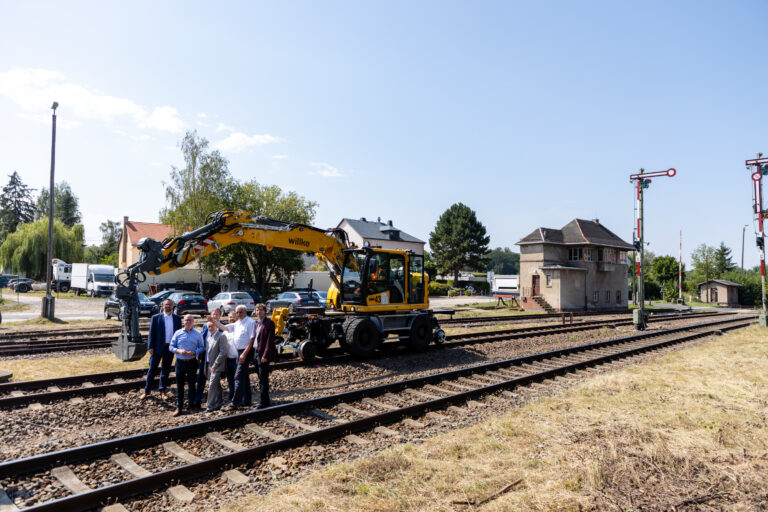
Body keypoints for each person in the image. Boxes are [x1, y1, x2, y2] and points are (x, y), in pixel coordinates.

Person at [209, 305, 255, 408]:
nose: (238, 314)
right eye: (237, 312)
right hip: (239, 352)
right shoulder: (236, 324)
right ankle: (247, 400)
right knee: (244, 377)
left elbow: (252, 339)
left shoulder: (250, 322)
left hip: (245, 352)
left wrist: (244, 353)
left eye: (241, 312)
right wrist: (213, 321)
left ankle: (235, 402)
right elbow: (224, 327)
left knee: (238, 376)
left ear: (245, 312)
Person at [140, 299, 181, 400]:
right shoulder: (156, 317)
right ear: (162, 306)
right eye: (166, 304)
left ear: (173, 306)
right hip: (157, 347)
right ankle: (147, 391)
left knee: (165, 370)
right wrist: (150, 346)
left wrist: (178, 348)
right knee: (152, 369)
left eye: (170, 305)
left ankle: (162, 390)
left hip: (170, 348)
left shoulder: (177, 318)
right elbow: (151, 333)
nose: (168, 306)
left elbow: (179, 334)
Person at [169, 314, 205, 416]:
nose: (188, 321)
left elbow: (202, 347)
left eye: (190, 320)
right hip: (180, 362)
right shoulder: (177, 333)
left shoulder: (198, 334)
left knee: (192, 385)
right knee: (179, 385)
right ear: (183, 321)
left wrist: (194, 352)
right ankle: (179, 407)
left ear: (193, 322)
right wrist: (179, 351)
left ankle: (191, 406)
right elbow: (171, 347)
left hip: (192, 362)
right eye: (186, 320)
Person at [252, 303, 277, 408]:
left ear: (265, 311)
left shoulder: (269, 323)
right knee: (260, 378)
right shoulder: (257, 323)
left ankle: (264, 402)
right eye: (257, 310)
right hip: (256, 353)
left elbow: (269, 341)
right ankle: (264, 400)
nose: (259, 312)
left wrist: (265, 355)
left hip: (263, 355)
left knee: (263, 379)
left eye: (261, 310)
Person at [203, 320, 230, 411]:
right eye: (208, 327)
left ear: (216, 326)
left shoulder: (221, 336)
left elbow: (223, 352)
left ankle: (209, 406)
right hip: (208, 364)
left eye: (212, 326)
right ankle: (218, 403)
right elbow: (207, 353)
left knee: (212, 385)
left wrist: (215, 365)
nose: (210, 328)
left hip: (217, 365)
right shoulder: (208, 337)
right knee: (216, 385)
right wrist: (205, 367)